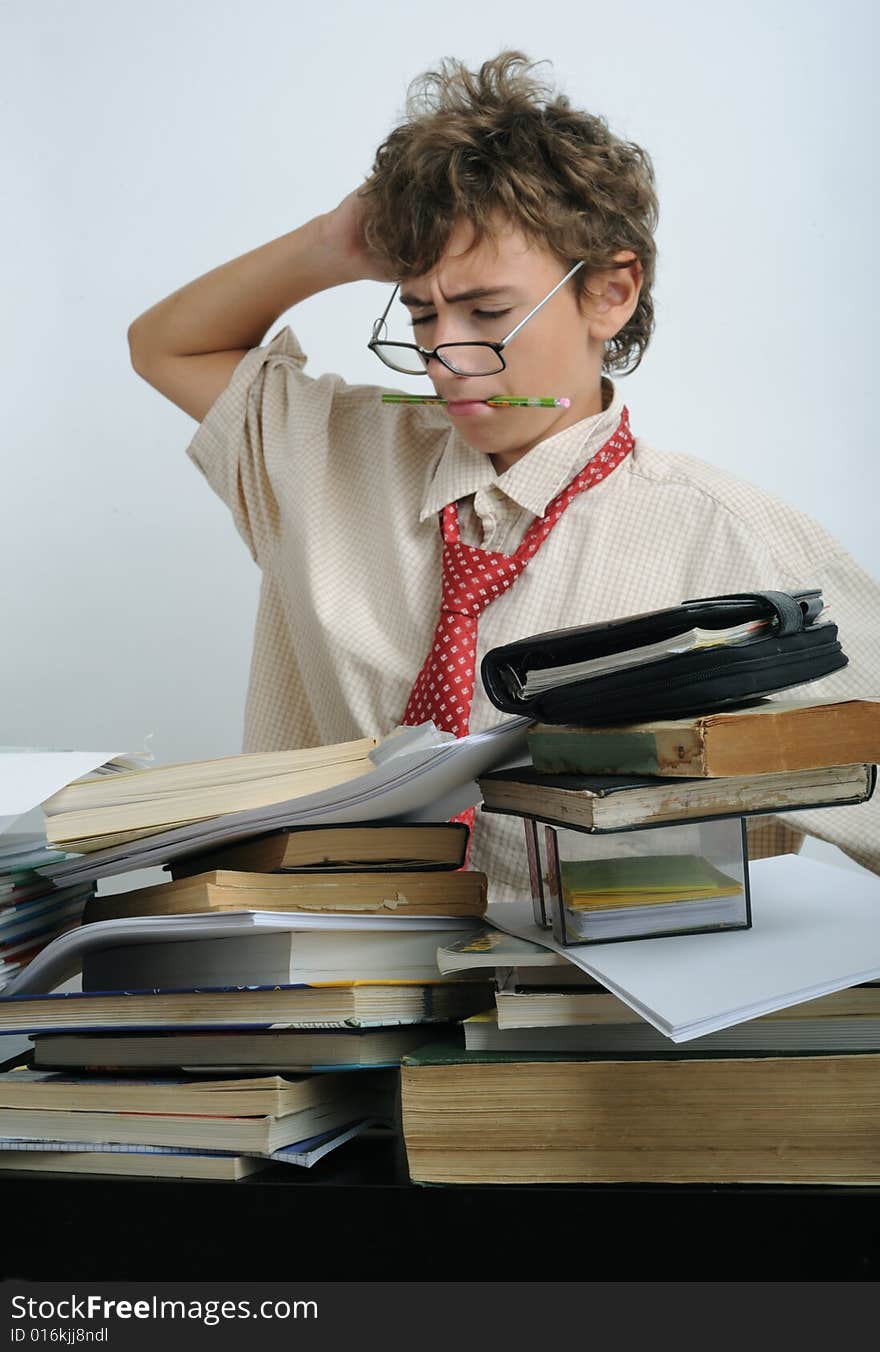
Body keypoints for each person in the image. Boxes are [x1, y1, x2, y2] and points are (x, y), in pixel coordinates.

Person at [127, 52, 879, 897]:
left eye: (486, 312)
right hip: (333, 977)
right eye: (419, 314)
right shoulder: (333, 454)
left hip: (613, 1006)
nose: (446, 357)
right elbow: (166, 346)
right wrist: (332, 245)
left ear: (611, 294)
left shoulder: (730, 538)